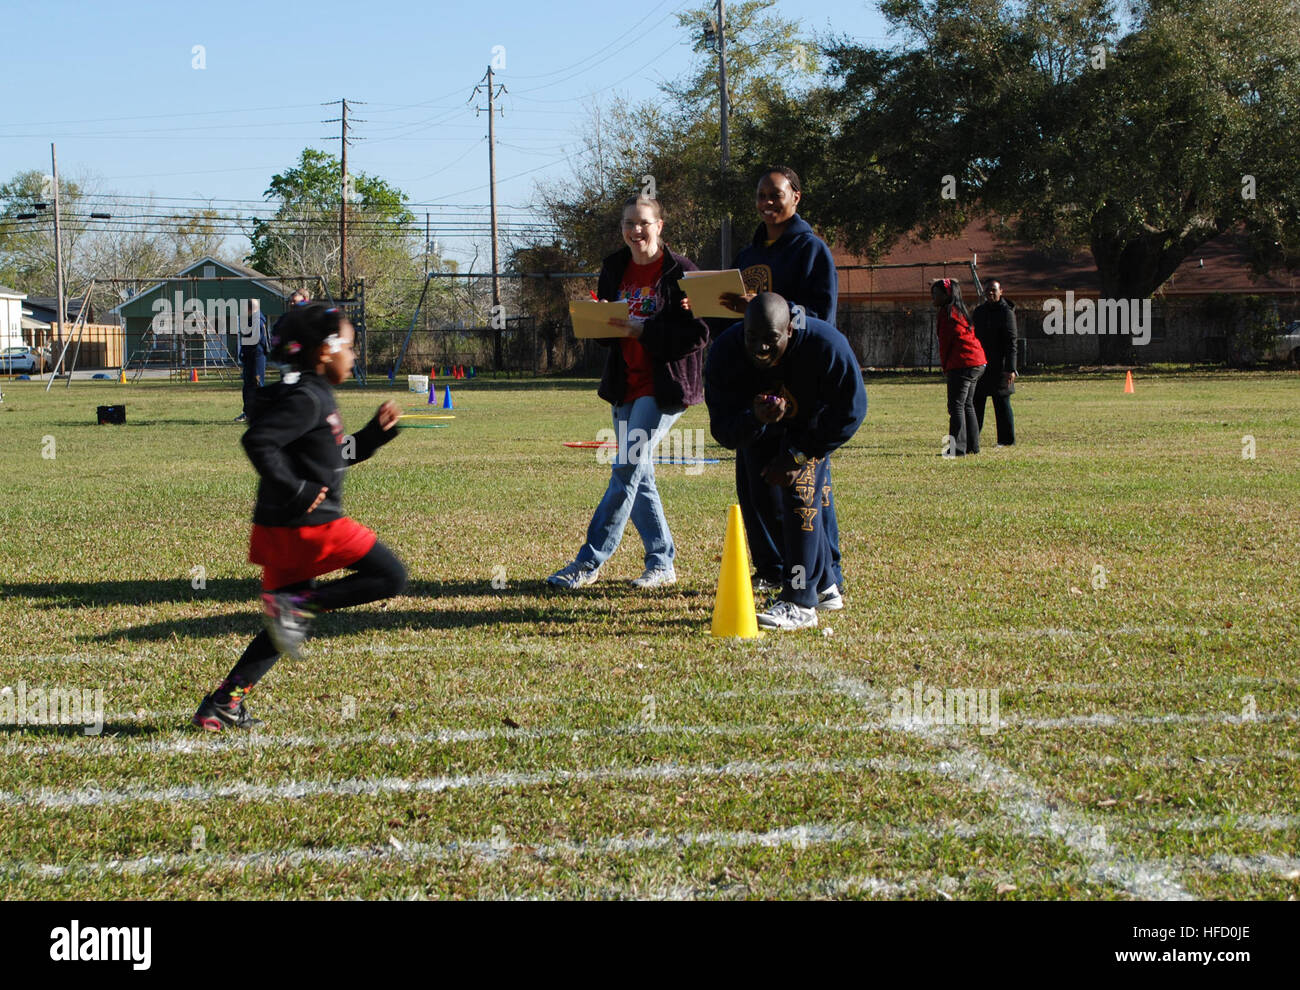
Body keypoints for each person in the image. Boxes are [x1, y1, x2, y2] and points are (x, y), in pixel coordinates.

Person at [192, 303, 407, 731]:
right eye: (350, 345)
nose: (355, 355)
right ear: (325, 351)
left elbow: (332, 455)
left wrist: (372, 437)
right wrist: (298, 488)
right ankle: (298, 606)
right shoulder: (309, 398)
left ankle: (222, 704)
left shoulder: (313, 395)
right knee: (391, 576)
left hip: (282, 530)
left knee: (281, 630)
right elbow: (258, 442)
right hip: (308, 526)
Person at [546, 194, 710, 590]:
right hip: (626, 384)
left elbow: (701, 334)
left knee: (625, 470)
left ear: (660, 226)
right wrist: (597, 319)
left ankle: (587, 563)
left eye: (643, 223)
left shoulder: (682, 272)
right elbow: (608, 338)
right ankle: (661, 561)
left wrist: (645, 330)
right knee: (641, 476)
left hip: (664, 385)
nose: (636, 230)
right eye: (628, 224)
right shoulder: (614, 267)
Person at [717, 166, 844, 602]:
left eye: (776, 194)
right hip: (755, 384)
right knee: (754, 482)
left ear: (796, 196)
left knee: (804, 481)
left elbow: (822, 318)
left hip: (797, 385)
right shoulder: (748, 255)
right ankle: (771, 568)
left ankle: (827, 577)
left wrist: (771, 309)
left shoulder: (811, 251)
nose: (767, 203)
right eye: (760, 195)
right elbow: (733, 328)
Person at [705, 292, 866, 630]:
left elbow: (852, 410)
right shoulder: (725, 353)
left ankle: (799, 600)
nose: (760, 348)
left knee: (801, 493)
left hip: (810, 429)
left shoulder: (825, 344)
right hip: (760, 428)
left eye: (771, 339)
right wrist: (755, 418)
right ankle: (823, 585)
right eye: (753, 338)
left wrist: (800, 453)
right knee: (764, 501)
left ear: (790, 330)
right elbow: (722, 427)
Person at [933, 278, 986, 457]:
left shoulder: (946, 312)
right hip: (977, 361)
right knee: (967, 405)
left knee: (956, 406)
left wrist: (945, 366)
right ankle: (973, 446)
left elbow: (946, 343)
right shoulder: (959, 310)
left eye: (936, 294)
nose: (933, 297)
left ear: (946, 295)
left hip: (963, 364)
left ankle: (957, 449)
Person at [971, 279, 1018, 446]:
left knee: (1002, 402)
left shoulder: (1007, 313)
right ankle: (973, 439)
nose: (990, 293)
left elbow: (1012, 342)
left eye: (994, 290)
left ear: (1001, 292)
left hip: (1000, 366)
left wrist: (1010, 368)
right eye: (988, 290)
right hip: (981, 365)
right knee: (976, 402)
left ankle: (1006, 441)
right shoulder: (979, 312)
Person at [235, 298, 268, 423]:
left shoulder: (257, 321)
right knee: (248, 385)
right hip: (250, 357)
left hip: (256, 357)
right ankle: (248, 412)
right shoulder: (251, 320)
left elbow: (259, 341)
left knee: (256, 385)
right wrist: (243, 353)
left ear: (249, 309)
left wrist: (252, 353)